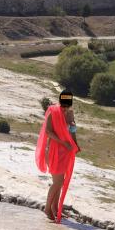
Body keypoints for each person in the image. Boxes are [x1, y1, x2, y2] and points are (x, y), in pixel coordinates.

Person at [37, 90, 80, 223]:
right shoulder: (53, 111)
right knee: (58, 182)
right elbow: (48, 132)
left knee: (60, 182)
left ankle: (56, 209)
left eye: (67, 105)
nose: (65, 107)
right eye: (64, 105)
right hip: (53, 150)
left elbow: (72, 130)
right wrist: (63, 143)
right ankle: (47, 208)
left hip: (65, 151)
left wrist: (75, 145)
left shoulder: (70, 113)